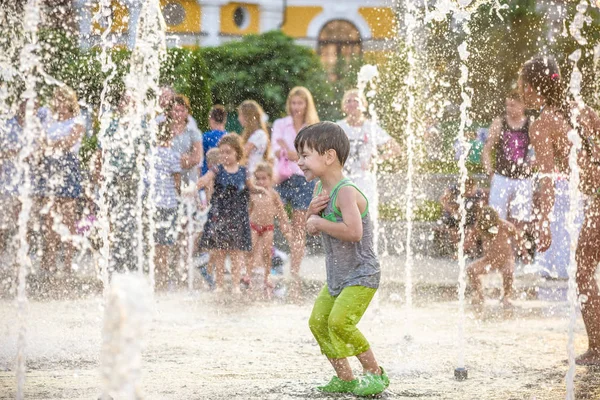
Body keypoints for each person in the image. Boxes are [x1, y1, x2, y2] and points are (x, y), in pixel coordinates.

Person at [296, 121, 389, 396]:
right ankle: (345, 378)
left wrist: (318, 222)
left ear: (329, 156)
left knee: (339, 322)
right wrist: (311, 218)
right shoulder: (320, 193)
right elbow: (315, 230)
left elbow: (353, 232)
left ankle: (375, 373)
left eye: (305, 155)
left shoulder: (346, 192)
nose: (299, 162)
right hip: (338, 276)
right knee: (318, 322)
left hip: (362, 273)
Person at [520, 55, 600, 365]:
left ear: (529, 87)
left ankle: (596, 349)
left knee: (583, 271)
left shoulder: (542, 124)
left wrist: (543, 223)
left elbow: (547, 180)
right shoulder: (580, 109)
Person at [197, 134, 263, 293]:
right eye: (222, 152)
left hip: (237, 217)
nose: (224, 156)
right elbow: (205, 179)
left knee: (236, 253)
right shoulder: (216, 169)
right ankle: (219, 285)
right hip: (220, 216)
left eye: (228, 152)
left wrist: (259, 190)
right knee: (219, 252)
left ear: (237, 153)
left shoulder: (243, 171)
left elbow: (251, 187)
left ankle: (235, 285)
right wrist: (194, 187)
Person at [271, 86, 320, 297]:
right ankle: (278, 260)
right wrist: (296, 153)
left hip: (304, 179)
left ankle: (294, 272)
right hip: (283, 178)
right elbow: (275, 149)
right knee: (277, 220)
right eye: (293, 103)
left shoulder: (313, 127)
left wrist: (290, 151)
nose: (296, 107)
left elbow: (312, 156)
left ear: (306, 104)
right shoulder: (280, 124)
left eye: (300, 103)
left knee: (300, 227)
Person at [38, 86, 85, 273]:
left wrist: (52, 144)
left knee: (68, 217)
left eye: (62, 98)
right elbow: (42, 143)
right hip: (50, 167)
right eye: (56, 98)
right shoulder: (49, 119)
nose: (59, 102)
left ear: (69, 101)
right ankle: (50, 261)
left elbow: (69, 143)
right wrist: (53, 145)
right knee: (49, 218)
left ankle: (68, 262)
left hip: (68, 167)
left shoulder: (78, 120)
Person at [336, 89, 401, 223]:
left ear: (364, 105)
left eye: (356, 101)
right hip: (342, 179)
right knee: (343, 218)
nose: (352, 104)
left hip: (364, 180)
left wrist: (376, 160)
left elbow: (395, 148)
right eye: (349, 101)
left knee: (365, 218)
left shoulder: (371, 127)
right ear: (344, 106)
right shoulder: (338, 127)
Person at [483, 90, 533, 263]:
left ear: (523, 105)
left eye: (513, 104)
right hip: (502, 177)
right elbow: (487, 149)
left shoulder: (530, 124)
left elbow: (539, 152)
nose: (509, 108)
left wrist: (533, 164)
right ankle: (494, 254)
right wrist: (490, 172)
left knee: (521, 220)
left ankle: (520, 255)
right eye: (507, 104)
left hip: (523, 179)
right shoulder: (500, 122)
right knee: (496, 218)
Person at [248, 162, 291, 296]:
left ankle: (267, 276)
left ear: (270, 179)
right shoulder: (253, 194)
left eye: (264, 178)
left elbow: (280, 210)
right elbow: (249, 210)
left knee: (267, 251)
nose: (261, 182)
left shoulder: (273, 194)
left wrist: (284, 222)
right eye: (258, 179)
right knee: (251, 249)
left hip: (268, 227)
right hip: (254, 226)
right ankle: (247, 274)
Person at [467, 206, 516, 308]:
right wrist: (466, 247)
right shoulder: (479, 226)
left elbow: (517, 236)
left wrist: (523, 252)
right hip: (489, 260)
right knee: (471, 270)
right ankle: (479, 295)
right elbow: (470, 239)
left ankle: (506, 297)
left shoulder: (505, 226)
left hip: (505, 258)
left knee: (508, 272)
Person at [152, 118, 182, 289]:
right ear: (170, 134)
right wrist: (181, 195)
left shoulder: (150, 153)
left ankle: (155, 270)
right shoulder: (173, 155)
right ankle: (162, 272)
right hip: (168, 203)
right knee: (164, 241)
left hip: (153, 203)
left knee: (154, 240)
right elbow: (177, 181)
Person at [239, 100, 270, 174]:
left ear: (248, 117)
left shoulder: (259, 134)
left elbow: (243, 153)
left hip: (253, 174)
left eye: (240, 115)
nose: (239, 118)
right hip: (248, 173)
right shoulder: (252, 134)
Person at [201, 105, 227, 176]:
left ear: (211, 119)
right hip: (224, 177)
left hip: (207, 175)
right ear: (224, 120)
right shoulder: (228, 137)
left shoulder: (206, 137)